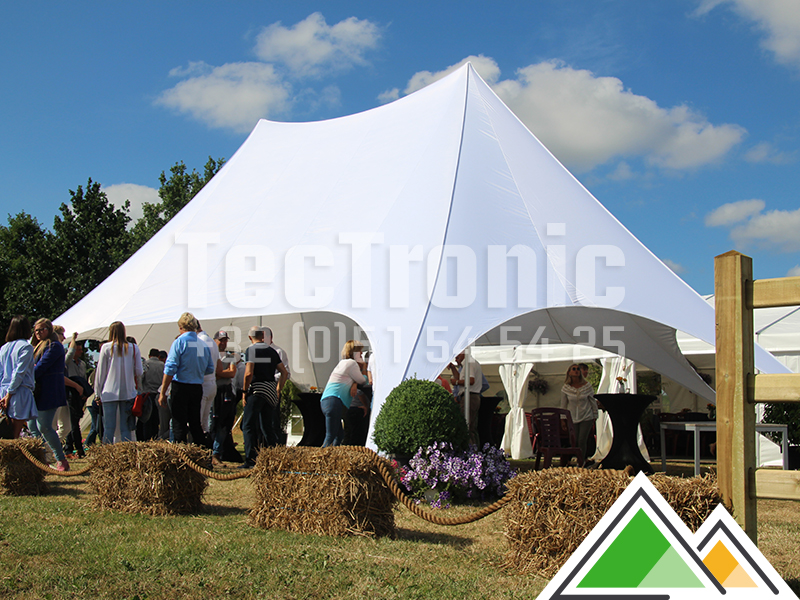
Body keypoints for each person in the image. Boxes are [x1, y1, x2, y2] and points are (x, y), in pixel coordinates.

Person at [158, 312, 214, 447]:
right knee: (196, 423)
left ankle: (181, 456)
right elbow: (210, 368)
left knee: (178, 423)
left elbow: (170, 368)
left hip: (181, 385)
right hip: (197, 387)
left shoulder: (179, 342)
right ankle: (203, 454)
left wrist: (163, 392)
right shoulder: (201, 345)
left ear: (181, 327)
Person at [240, 326, 288, 468]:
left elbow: (249, 373)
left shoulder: (252, 350)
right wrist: (278, 388)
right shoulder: (272, 351)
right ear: (262, 335)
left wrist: (244, 391)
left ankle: (251, 460)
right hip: (270, 390)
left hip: (257, 389)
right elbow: (284, 372)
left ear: (250, 338)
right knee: (268, 426)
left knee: (248, 425)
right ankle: (274, 458)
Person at [28, 318, 70, 471]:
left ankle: (61, 460)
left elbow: (40, 368)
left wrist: (27, 374)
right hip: (39, 392)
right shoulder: (37, 346)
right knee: (32, 425)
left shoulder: (55, 346)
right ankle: (41, 459)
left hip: (49, 391)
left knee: (45, 426)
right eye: (36, 330)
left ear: (49, 330)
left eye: (42, 329)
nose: (39, 333)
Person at [94, 322, 143, 444]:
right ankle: (126, 454)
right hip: (128, 391)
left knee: (109, 428)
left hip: (109, 391)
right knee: (125, 427)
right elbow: (139, 371)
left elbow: (101, 373)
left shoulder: (106, 347)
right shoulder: (133, 347)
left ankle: (106, 454)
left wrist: (97, 392)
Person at [320, 340, 367, 447]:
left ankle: (332, 456)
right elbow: (363, 380)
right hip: (334, 401)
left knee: (339, 435)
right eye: (360, 351)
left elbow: (352, 378)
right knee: (330, 437)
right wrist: (364, 367)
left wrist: (354, 383)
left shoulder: (342, 363)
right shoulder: (352, 363)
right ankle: (320, 458)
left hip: (327, 400)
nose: (361, 354)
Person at [0, 316, 38, 438]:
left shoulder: (3, 348)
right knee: (14, 435)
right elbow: (19, 372)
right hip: (18, 391)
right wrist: (10, 393)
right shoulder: (26, 347)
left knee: (5, 431)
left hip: (3, 390)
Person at [209, 330, 238, 465]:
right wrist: (221, 373)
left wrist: (219, 373)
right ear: (215, 341)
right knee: (211, 423)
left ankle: (216, 453)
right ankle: (208, 451)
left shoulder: (230, 356)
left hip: (225, 391)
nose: (223, 343)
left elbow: (232, 373)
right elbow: (211, 373)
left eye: (225, 340)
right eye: (221, 340)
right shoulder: (210, 354)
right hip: (213, 391)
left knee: (223, 424)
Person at [561, 363, 598, 466]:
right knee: (574, 440)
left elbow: (592, 401)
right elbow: (563, 404)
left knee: (582, 439)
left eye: (578, 369)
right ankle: (577, 458)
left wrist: (595, 416)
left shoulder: (587, 386)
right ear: (569, 372)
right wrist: (563, 419)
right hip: (572, 417)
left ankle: (581, 461)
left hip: (586, 416)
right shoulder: (566, 388)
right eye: (574, 369)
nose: (576, 370)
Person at [63, 335, 90, 457]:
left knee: (74, 421)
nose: (80, 352)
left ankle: (69, 447)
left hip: (79, 394)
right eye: (78, 349)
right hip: (70, 392)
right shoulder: (67, 363)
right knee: (73, 422)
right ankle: (76, 448)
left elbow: (84, 379)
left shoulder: (83, 364)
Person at [449, 351, 484, 446]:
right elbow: (461, 378)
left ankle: (471, 451)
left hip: (470, 396)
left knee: (467, 426)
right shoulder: (467, 365)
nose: (456, 360)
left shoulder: (469, 363)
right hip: (470, 396)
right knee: (470, 426)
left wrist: (456, 382)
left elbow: (471, 380)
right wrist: (453, 368)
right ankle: (474, 450)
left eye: (457, 357)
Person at [140, 348, 165, 440]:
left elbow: (141, 378)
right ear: (158, 356)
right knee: (156, 419)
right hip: (158, 394)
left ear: (149, 355)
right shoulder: (162, 365)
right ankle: (155, 437)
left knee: (146, 419)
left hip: (147, 394)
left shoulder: (146, 364)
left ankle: (146, 439)